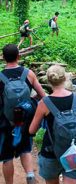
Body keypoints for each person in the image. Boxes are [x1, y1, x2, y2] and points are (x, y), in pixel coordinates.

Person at [29, 65, 76, 184]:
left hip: (51, 151)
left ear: (49, 80)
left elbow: (32, 130)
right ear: (65, 78)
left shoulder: (44, 103)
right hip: (73, 150)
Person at [0, 44, 46, 184]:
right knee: (25, 149)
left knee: (7, 157)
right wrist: (29, 103)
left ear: (3, 58)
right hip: (25, 121)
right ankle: (30, 175)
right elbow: (42, 95)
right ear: (19, 56)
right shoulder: (29, 74)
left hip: (5, 122)